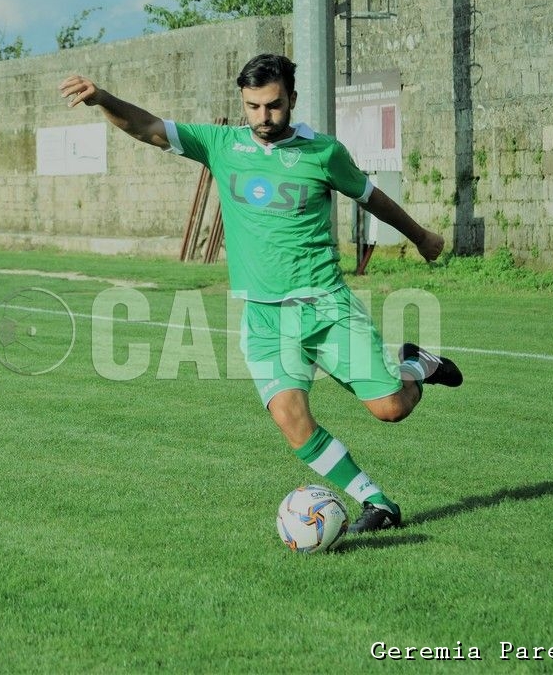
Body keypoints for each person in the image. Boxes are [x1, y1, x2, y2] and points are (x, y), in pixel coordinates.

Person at [60, 54, 463, 533]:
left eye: (272, 106)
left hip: (325, 307)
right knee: (293, 421)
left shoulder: (324, 152)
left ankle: (414, 364)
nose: (262, 118)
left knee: (390, 409)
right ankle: (376, 502)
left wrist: (420, 237)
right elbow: (147, 127)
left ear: (292, 98)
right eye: (252, 107)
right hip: (264, 318)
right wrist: (102, 98)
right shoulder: (221, 144)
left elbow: (371, 197)